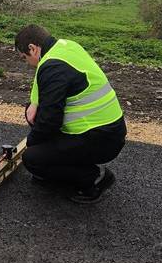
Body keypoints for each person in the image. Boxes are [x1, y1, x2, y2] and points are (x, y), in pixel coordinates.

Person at [15, 24, 126, 203]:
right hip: (110, 130)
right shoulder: (65, 46)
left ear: (32, 48)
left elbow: (50, 121)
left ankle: (94, 178)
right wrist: (34, 103)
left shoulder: (53, 67)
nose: (26, 63)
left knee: (32, 159)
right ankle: (54, 163)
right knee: (34, 112)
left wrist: (32, 145)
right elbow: (40, 83)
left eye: (24, 57)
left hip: (101, 139)